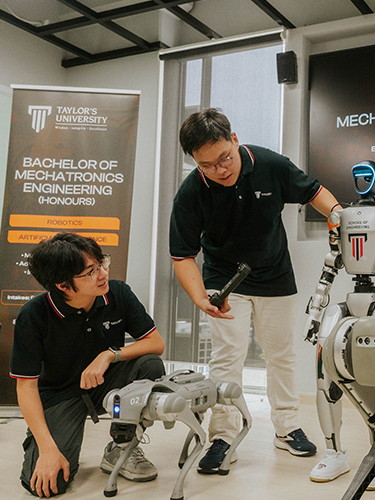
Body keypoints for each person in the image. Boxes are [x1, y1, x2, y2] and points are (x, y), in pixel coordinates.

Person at [170, 108, 340, 473]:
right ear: (195, 162)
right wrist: (200, 297)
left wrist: (339, 215)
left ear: (234, 140)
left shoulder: (268, 164)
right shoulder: (191, 193)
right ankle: (223, 436)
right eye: (208, 165)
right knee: (227, 357)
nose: (220, 169)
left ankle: (287, 426)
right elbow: (182, 254)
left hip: (275, 276)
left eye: (224, 158)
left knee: (280, 355)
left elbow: (313, 192)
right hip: (224, 280)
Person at [10, 232, 166, 497]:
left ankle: (122, 446)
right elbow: (26, 386)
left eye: (102, 263)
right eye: (91, 272)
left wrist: (109, 355)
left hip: (104, 384)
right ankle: (43, 436)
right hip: (59, 395)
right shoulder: (33, 315)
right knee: (46, 487)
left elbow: (155, 344)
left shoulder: (117, 292)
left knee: (149, 366)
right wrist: (48, 450)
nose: (103, 273)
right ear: (63, 285)